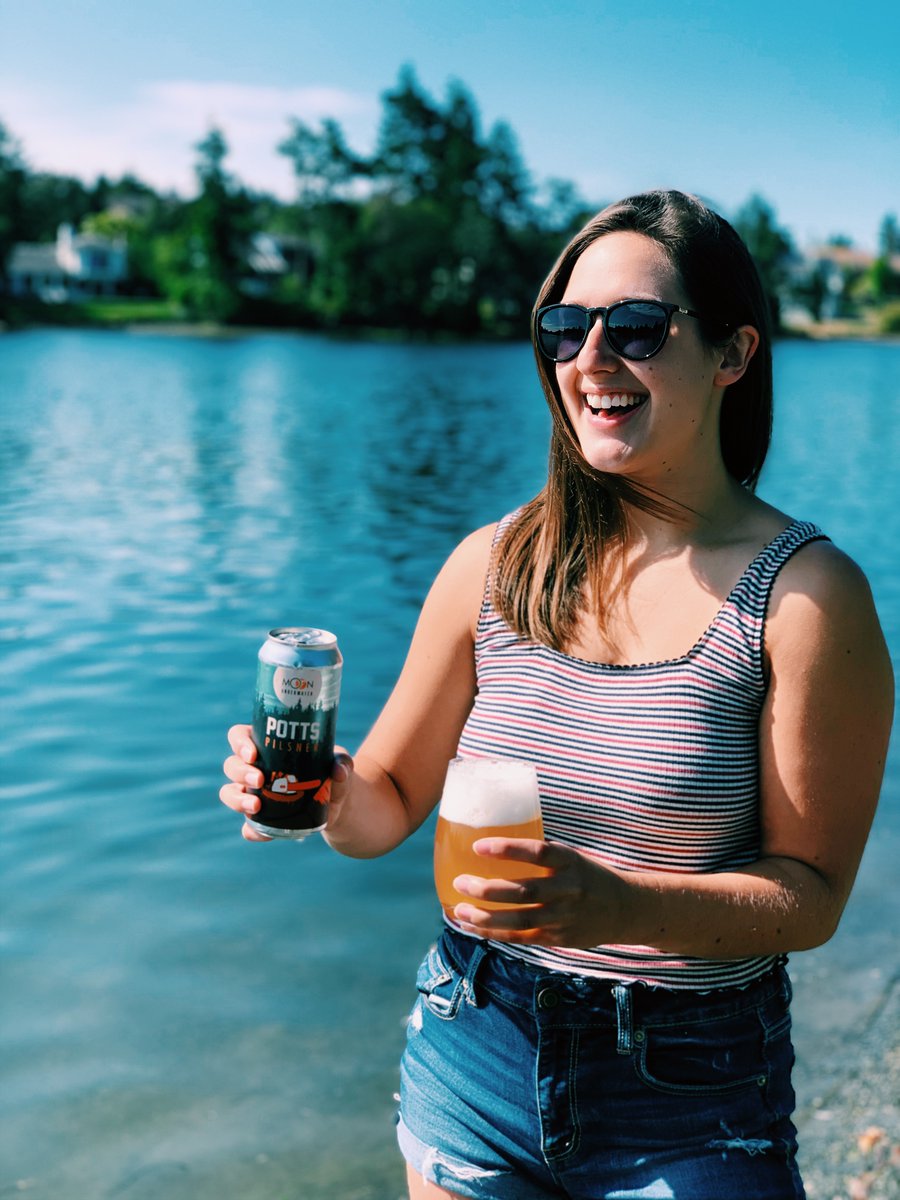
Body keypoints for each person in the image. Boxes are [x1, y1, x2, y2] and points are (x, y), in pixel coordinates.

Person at [220, 189, 894, 1200]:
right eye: (565, 329)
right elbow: (388, 806)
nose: (589, 361)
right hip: (474, 1042)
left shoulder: (804, 599)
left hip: (693, 1086)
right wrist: (325, 794)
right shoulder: (493, 565)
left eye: (635, 328)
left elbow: (808, 899)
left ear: (733, 354)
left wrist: (611, 902)